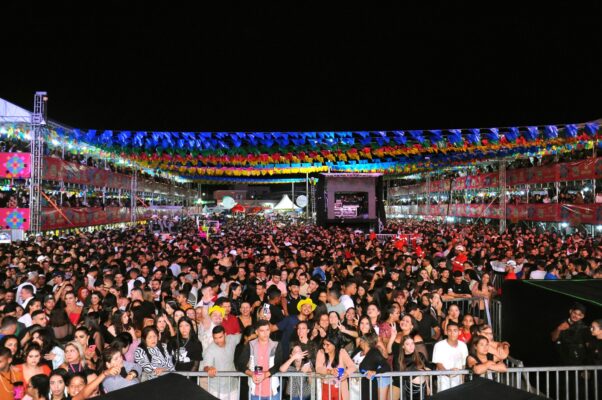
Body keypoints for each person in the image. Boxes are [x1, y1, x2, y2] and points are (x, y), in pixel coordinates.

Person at [237, 320, 284, 400]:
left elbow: (278, 364)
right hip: (254, 391)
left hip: (273, 390)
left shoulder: (276, 345)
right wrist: (251, 373)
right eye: (262, 330)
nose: (265, 333)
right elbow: (240, 364)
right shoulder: (250, 345)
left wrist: (265, 375)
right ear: (257, 332)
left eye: (267, 330)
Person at [201, 325, 241, 400]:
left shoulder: (231, 338)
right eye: (215, 338)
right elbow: (205, 366)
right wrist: (209, 369)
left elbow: (244, 336)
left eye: (220, 337)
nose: (218, 340)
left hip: (233, 386)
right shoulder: (210, 350)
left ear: (225, 335)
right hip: (216, 389)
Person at [315, 334, 356, 400]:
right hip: (325, 388)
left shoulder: (342, 352)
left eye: (327, 345)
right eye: (324, 344)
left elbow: (352, 366)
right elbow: (318, 369)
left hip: (340, 388)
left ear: (334, 345)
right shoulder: (321, 352)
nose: (325, 346)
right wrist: (329, 371)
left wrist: (346, 374)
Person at [432, 322, 468, 392]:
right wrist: (448, 373)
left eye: (455, 330)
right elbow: (439, 364)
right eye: (449, 330)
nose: (452, 333)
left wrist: (462, 381)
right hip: (444, 383)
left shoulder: (463, 346)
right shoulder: (439, 345)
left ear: (459, 332)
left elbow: (463, 365)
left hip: (458, 383)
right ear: (446, 332)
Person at [358, 333, 390, 400]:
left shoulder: (374, 352)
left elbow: (387, 366)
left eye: (361, 340)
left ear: (365, 342)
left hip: (370, 386)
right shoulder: (369, 353)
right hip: (365, 386)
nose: (359, 342)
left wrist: (375, 372)